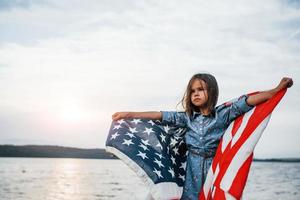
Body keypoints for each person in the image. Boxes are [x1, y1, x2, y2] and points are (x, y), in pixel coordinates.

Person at [112, 73, 293, 200]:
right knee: (191, 197)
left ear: (211, 92)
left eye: (200, 89)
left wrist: (276, 89)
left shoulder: (223, 113)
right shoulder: (187, 118)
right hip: (192, 167)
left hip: (215, 167)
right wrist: (129, 114)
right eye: (192, 91)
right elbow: (160, 115)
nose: (195, 93)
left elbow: (248, 101)